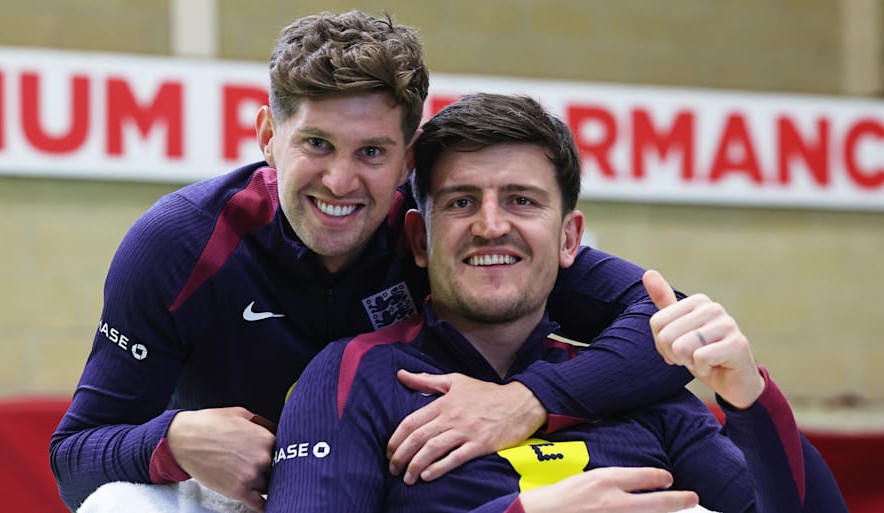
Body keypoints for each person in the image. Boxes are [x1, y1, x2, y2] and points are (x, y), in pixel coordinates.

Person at [50, 10, 692, 512]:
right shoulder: (181, 244)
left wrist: (528, 398)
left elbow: (668, 320)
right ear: (269, 137)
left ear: (409, 157)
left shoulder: (448, 233)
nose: (339, 181)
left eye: (371, 153)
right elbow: (72, 458)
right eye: (317, 144)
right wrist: (170, 442)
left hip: (417, 493)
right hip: (253, 496)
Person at [266, 93, 847, 513]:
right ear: (420, 239)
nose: (491, 226)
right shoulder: (353, 377)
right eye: (462, 202)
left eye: (521, 200)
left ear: (570, 238)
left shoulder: (635, 388)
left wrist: (749, 399)